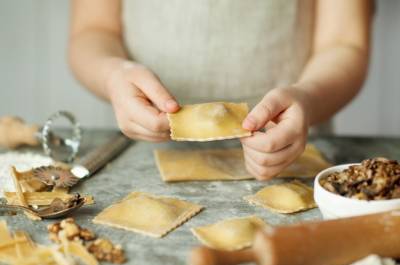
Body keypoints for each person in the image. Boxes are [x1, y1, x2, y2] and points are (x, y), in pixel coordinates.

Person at [68, 0, 374, 180]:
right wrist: (112, 75)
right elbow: (93, 31)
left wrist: (307, 98)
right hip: (139, 152)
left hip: (293, 149)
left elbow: (344, 42)